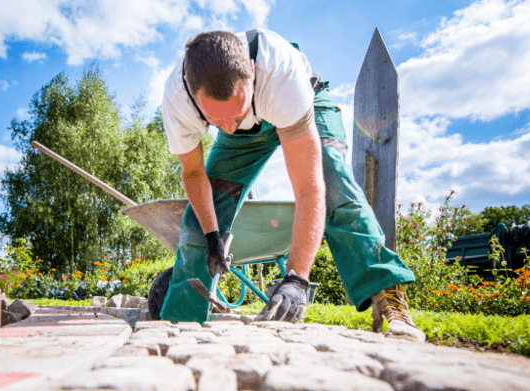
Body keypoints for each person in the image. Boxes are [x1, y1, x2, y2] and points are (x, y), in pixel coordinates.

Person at [150, 28, 424, 342]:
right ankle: (178, 324)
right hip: (244, 129)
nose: (228, 128)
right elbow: (195, 174)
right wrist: (212, 236)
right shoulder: (177, 99)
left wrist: (297, 279)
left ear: (252, 72)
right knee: (198, 223)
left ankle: (388, 299)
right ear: (195, 95)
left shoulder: (281, 73)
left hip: (302, 106)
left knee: (334, 180)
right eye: (216, 122)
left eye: (235, 115)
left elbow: (310, 187)